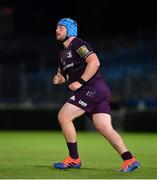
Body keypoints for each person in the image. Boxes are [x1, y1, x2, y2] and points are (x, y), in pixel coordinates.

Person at [52, 18, 140, 172]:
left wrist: (80, 81)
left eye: (60, 27)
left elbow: (94, 62)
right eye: (57, 27)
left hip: (92, 89)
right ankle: (129, 159)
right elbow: (65, 75)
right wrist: (60, 78)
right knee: (104, 127)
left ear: (70, 30)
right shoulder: (62, 53)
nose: (57, 30)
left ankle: (74, 159)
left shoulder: (78, 44)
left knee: (63, 117)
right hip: (97, 92)